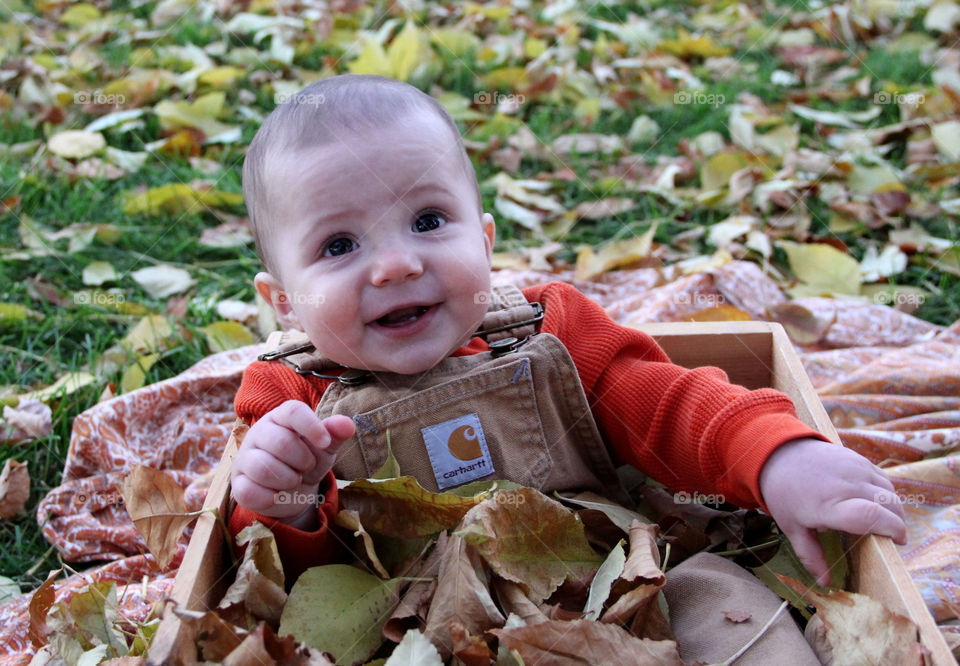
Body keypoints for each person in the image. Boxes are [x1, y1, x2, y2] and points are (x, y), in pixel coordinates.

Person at [227, 74, 906, 586]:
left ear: (487, 244)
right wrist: (284, 502)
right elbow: (280, 578)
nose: (397, 264)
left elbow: (671, 408)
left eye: (429, 221)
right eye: (341, 246)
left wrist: (773, 456)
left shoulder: (549, 333)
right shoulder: (288, 397)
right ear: (284, 302)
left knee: (722, 599)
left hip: (614, 594)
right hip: (405, 631)